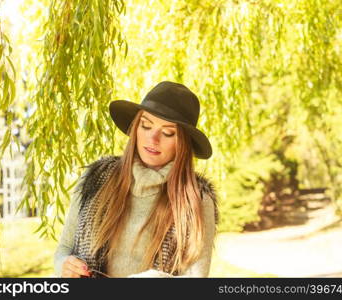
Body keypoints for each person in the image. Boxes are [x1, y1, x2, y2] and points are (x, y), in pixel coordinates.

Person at [54, 81, 219, 278]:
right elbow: (64, 247)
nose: (153, 138)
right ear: (135, 128)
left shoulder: (197, 199)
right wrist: (64, 265)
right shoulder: (95, 179)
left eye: (167, 132)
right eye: (146, 125)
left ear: (183, 142)